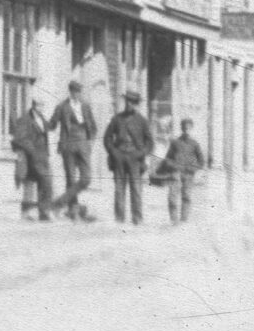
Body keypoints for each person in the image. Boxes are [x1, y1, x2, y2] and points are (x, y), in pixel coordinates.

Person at [48, 81, 99, 221]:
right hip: (68, 143)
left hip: (83, 143)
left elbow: (93, 127)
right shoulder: (62, 107)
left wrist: (90, 143)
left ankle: (58, 203)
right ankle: (74, 211)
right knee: (70, 178)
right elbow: (52, 124)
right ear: (70, 92)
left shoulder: (85, 106)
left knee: (86, 178)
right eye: (74, 92)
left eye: (79, 92)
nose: (77, 94)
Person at [103, 89, 154, 226]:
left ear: (136, 104)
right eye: (127, 101)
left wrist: (141, 153)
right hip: (119, 155)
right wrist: (113, 151)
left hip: (135, 157)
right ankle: (119, 219)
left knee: (136, 188)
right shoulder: (117, 119)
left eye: (132, 102)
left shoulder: (142, 121)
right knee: (119, 188)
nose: (129, 104)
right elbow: (107, 137)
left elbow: (150, 142)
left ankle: (137, 218)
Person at [8, 97, 55, 221]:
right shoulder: (25, 120)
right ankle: (35, 212)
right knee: (42, 180)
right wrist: (33, 150)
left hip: (42, 155)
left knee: (39, 181)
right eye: (39, 106)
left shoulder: (42, 119)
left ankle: (40, 212)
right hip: (31, 156)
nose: (42, 108)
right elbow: (20, 138)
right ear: (34, 106)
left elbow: (48, 130)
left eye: (43, 106)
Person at [162, 118, 207, 224]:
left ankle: (184, 220)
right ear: (181, 128)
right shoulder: (175, 142)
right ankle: (174, 220)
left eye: (188, 128)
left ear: (191, 128)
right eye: (184, 128)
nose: (186, 130)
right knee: (172, 196)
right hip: (176, 173)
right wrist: (173, 166)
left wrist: (192, 169)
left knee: (186, 196)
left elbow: (201, 161)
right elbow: (167, 159)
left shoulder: (195, 144)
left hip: (188, 174)